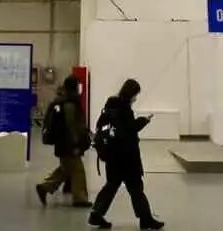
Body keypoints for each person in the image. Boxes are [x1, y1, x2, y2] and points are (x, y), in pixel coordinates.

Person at [89, 79, 164, 230]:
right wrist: (143, 121)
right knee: (136, 188)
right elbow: (129, 130)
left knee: (111, 186)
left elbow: (103, 126)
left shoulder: (110, 105)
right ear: (131, 93)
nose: (135, 98)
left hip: (112, 155)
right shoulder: (125, 109)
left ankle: (96, 214)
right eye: (136, 95)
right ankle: (146, 219)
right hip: (127, 157)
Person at [36, 76, 92, 208]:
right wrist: (76, 143)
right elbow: (71, 126)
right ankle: (80, 199)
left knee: (66, 169)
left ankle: (44, 187)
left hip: (62, 143)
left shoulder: (61, 101)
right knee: (78, 170)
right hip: (69, 144)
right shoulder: (70, 103)